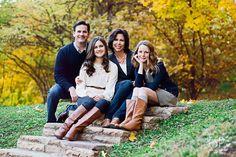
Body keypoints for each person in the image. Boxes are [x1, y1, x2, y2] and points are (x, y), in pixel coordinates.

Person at [54, 36, 118, 141]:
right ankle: (65, 126)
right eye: (95, 47)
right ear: (92, 50)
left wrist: (102, 95)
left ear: (105, 48)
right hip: (86, 95)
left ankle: (75, 128)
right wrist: (90, 95)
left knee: (103, 102)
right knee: (89, 101)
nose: (98, 49)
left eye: (101, 46)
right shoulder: (86, 65)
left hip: (102, 96)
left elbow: (111, 88)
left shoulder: (112, 67)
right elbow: (80, 87)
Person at [119, 40, 179, 131]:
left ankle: (136, 122)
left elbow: (153, 86)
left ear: (150, 53)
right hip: (154, 93)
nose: (142, 55)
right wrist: (141, 66)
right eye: (140, 52)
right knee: (136, 90)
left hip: (168, 94)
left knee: (142, 90)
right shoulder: (139, 65)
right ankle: (129, 119)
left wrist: (144, 85)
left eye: (146, 52)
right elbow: (138, 85)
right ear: (136, 53)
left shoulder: (159, 65)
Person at [46, 21, 90, 122]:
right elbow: (58, 75)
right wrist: (70, 88)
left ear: (88, 34)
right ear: (74, 33)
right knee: (53, 92)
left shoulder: (92, 50)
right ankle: (51, 121)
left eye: (84, 32)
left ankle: (69, 111)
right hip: (66, 87)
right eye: (78, 31)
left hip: (87, 87)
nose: (81, 34)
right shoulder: (64, 51)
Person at [101, 28, 135, 128]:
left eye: (121, 40)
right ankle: (108, 117)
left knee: (134, 92)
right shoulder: (107, 58)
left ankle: (116, 118)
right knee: (127, 84)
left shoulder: (133, 56)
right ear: (112, 41)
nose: (118, 43)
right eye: (116, 40)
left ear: (125, 42)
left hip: (133, 87)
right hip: (116, 89)